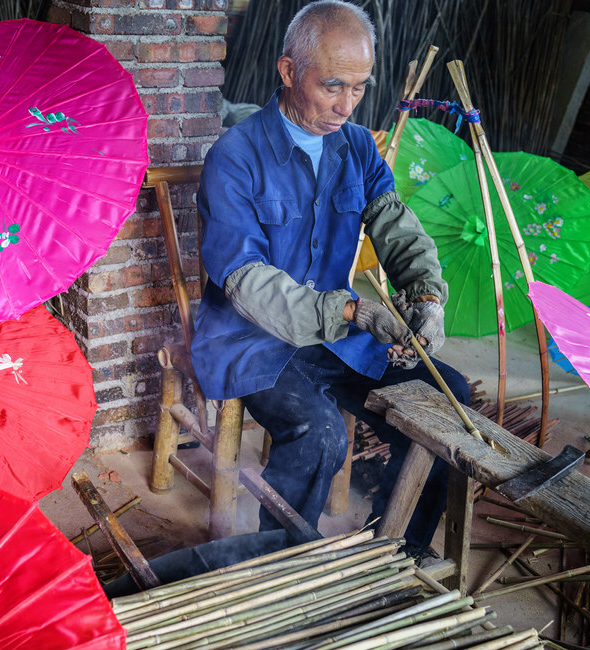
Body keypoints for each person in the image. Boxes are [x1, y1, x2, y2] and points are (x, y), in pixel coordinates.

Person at [190, 0, 470, 562]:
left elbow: (397, 229)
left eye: (361, 89)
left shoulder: (358, 147)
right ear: (289, 72)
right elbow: (246, 283)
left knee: (448, 399)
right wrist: (351, 312)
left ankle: (394, 548)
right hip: (253, 340)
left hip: (337, 336)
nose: (346, 106)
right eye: (333, 86)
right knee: (319, 434)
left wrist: (426, 296)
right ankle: (281, 564)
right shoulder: (236, 157)